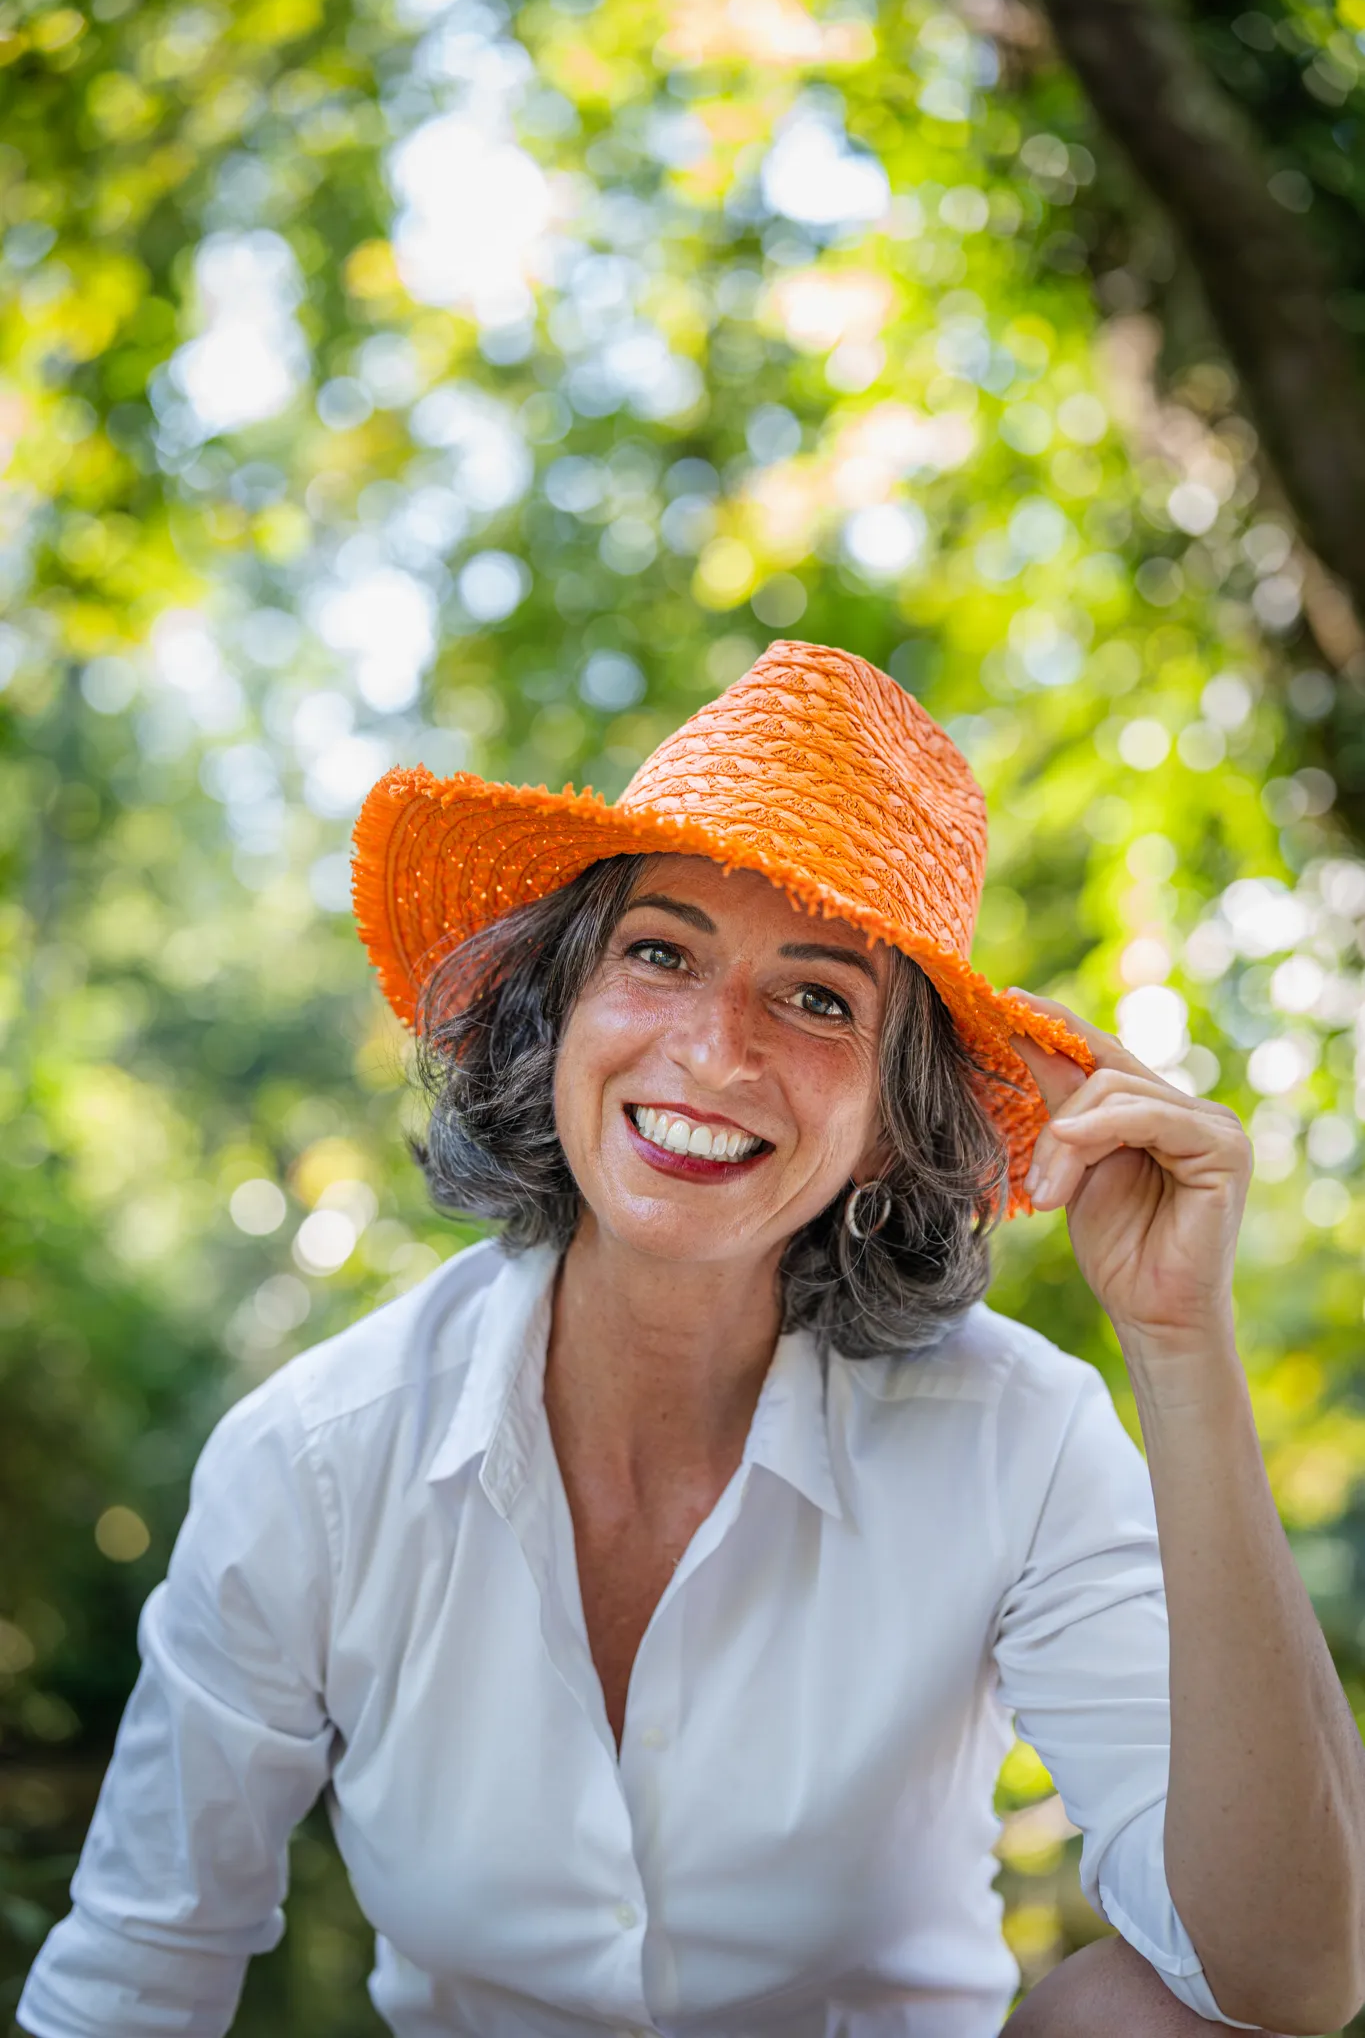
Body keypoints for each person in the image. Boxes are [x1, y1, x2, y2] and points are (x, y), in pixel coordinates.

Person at [17, 640, 1365, 2038]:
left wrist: (1180, 1342)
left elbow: (1288, 1978)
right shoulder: (315, 1461)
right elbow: (135, 1973)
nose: (717, 1055)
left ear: (891, 1122)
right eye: (660, 953)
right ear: (560, 1016)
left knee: (1154, 2020)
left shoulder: (1018, 1436)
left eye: (818, 997)